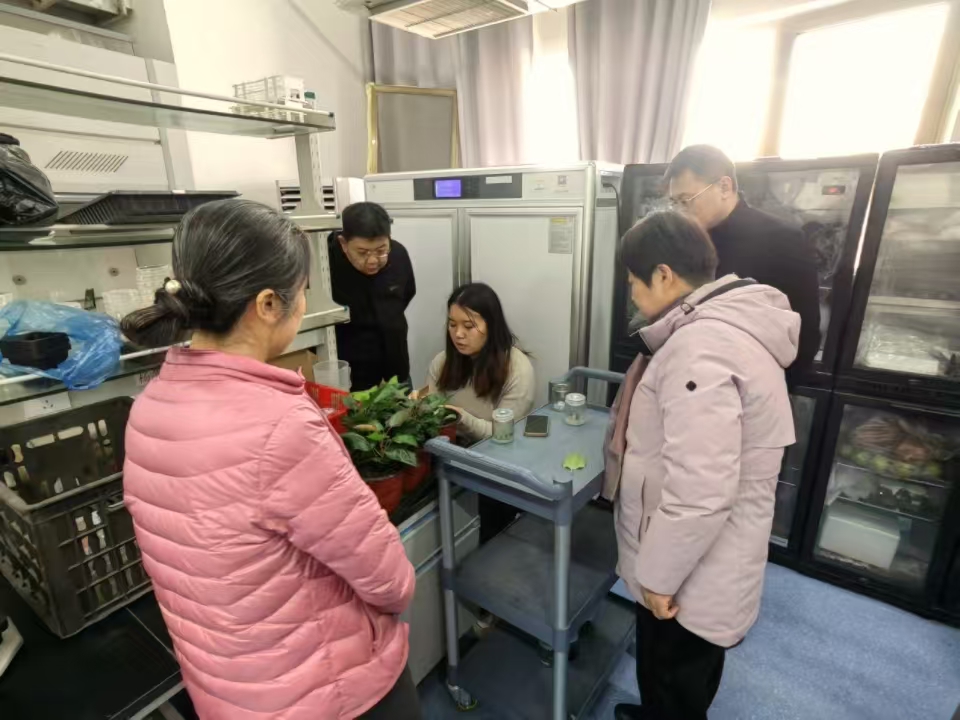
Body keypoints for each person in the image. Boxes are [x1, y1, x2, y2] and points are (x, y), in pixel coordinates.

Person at [121, 199, 420, 720]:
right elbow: (391, 581)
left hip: (230, 694)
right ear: (266, 304)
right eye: (302, 290)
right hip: (329, 692)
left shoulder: (149, 407)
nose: (304, 301)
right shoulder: (279, 426)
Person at [609, 211, 798, 720]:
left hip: (693, 568)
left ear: (663, 274)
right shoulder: (730, 327)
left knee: (674, 677)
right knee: (677, 680)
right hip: (711, 550)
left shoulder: (699, 348)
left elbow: (701, 490)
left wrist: (658, 578)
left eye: (633, 282)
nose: (633, 294)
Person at [665, 144, 819, 386]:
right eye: (675, 202)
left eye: (686, 200)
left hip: (749, 384)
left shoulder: (781, 239)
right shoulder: (686, 238)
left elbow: (805, 334)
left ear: (724, 187)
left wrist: (765, 390)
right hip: (689, 373)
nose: (680, 212)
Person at [426, 282, 535, 542]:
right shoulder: (442, 362)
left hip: (497, 466)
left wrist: (460, 418)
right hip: (451, 457)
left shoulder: (517, 369)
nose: (458, 334)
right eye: (452, 325)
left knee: (493, 536)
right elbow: (431, 414)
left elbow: (502, 436)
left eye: (469, 326)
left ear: (491, 325)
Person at [329, 201, 416, 390]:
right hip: (351, 377)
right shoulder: (325, 262)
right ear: (343, 243)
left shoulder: (398, 254)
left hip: (396, 368)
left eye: (381, 251)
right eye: (362, 253)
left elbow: (407, 293)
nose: (372, 260)